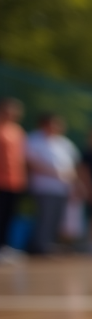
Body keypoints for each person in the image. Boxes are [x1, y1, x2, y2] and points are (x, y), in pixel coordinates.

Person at [25, 113, 80, 255]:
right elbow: (31, 163)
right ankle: (39, 246)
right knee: (45, 217)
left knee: (57, 218)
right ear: (44, 124)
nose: (58, 126)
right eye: (54, 123)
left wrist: (74, 182)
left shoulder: (64, 143)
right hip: (44, 187)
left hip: (62, 188)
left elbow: (74, 166)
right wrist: (55, 173)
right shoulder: (34, 139)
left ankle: (50, 245)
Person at [0, 98, 26, 260]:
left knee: (9, 215)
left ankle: (4, 246)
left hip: (15, 181)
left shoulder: (18, 131)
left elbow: (20, 158)